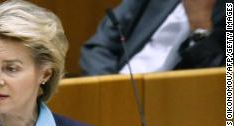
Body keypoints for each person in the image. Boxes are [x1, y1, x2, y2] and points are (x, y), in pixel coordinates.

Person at [80, 0, 225, 76]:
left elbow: (222, 85)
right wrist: (112, 90)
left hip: (172, 105)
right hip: (115, 86)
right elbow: (98, 46)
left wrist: (200, 25)